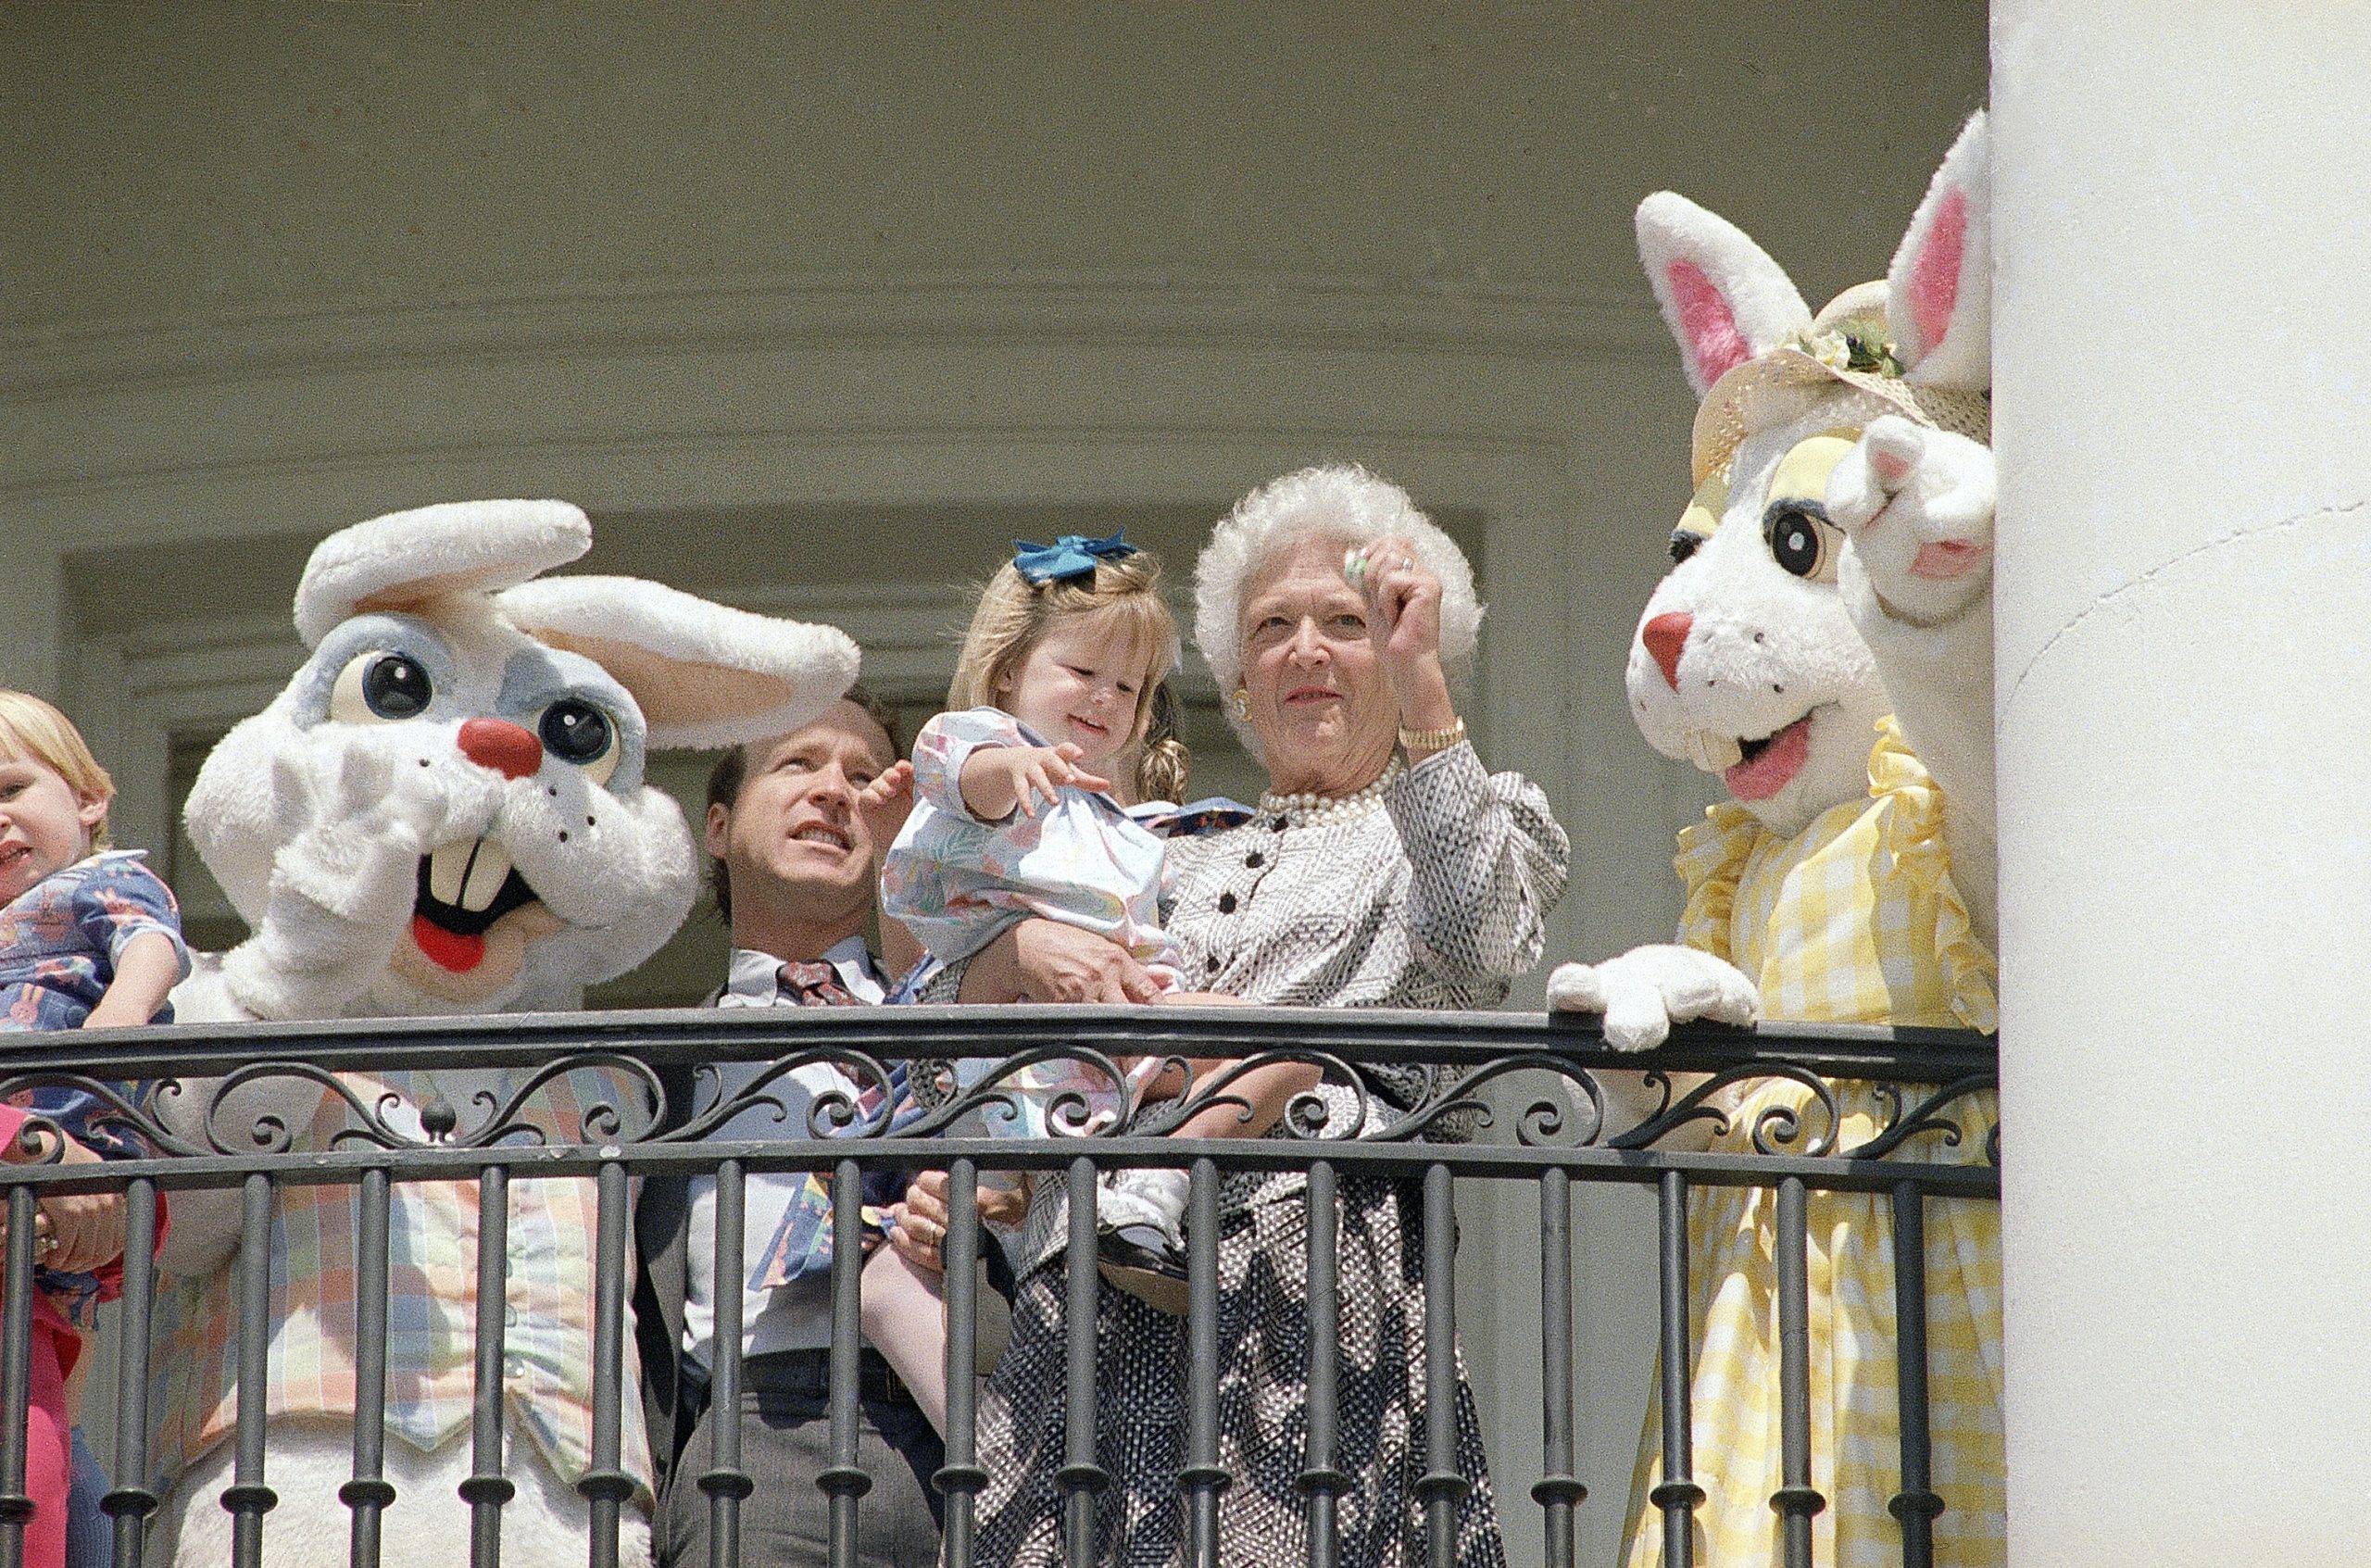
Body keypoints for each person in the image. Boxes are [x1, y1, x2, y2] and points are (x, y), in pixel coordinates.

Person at [896, 465, 1571, 1566]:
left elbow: (1483, 941)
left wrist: (1425, 688)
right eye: (1273, 627)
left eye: (1347, 623)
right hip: (1088, 1310)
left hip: (1308, 1300)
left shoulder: (1473, 815)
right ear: (1238, 682)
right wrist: (1019, 953)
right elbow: (933, 1068)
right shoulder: (1143, 844)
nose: (1306, 648)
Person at [635, 689, 970, 1568]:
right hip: (758, 1443)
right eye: (798, 763)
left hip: (965, 1418)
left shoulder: (962, 1016)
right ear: (716, 824)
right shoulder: (651, 1067)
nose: (835, 790)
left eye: (865, 776)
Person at [0, 692, 186, 1568]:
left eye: (11, 785)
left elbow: (150, 941)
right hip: (37, 1172)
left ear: (88, 798)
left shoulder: (99, 880)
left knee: (46, 1473)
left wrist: (117, 1014)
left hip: (78, 1129)